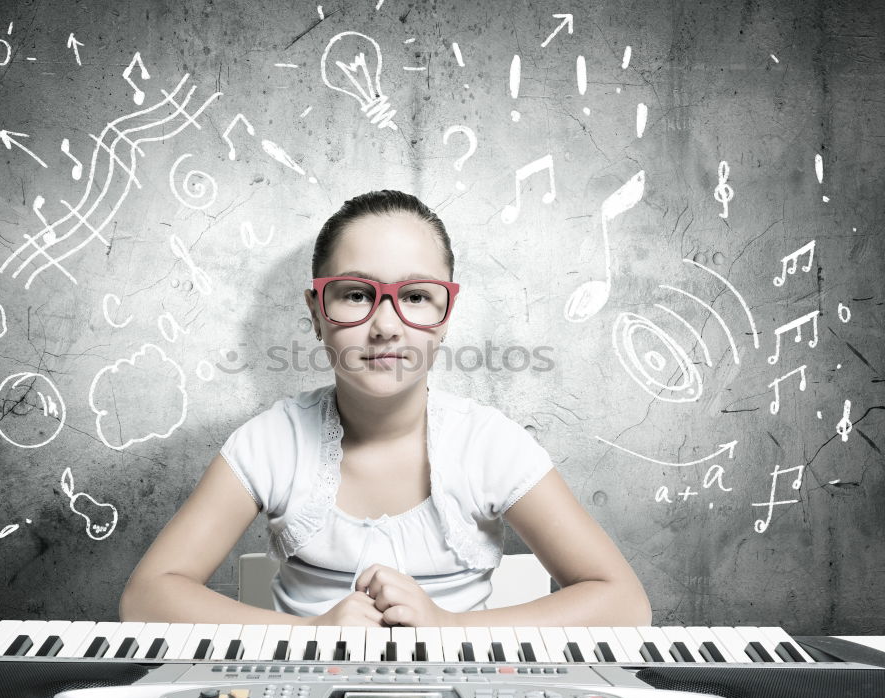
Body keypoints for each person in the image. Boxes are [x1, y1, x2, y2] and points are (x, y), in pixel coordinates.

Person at [120, 190, 651, 629]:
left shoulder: (488, 445)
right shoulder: (270, 443)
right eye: (355, 294)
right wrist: (311, 631)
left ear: (446, 316)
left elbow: (623, 603)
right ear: (316, 312)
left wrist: (448, 626)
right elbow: (146, 598)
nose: (386, 326)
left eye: (416, 297)